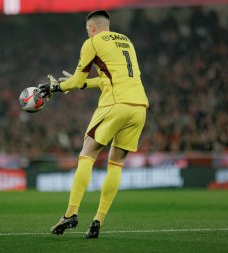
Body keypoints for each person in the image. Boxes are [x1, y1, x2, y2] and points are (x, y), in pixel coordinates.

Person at [38, 10, 149, 238]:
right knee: (116, 164)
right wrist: (80, 84)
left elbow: (77, 80)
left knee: (87, 153)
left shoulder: (92, 42)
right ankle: (98, 220)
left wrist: (55, 88)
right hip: (139, 106)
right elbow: (109, 77)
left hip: (115, 103)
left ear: (91, 28)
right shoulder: (126, 41)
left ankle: (71, 214)